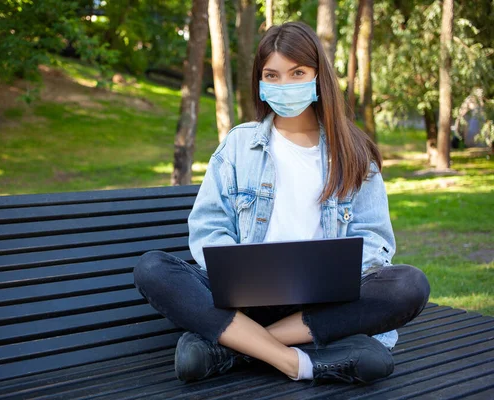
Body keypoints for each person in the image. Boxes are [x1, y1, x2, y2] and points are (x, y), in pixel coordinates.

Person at [133, 21, 430, 385]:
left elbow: (374, 239)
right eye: (271, 75)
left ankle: (232, 348)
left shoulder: (354, 154)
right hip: (244, 302)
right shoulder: (238, 146)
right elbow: (210, 226)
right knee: (152, 268)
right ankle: (295, 361)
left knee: (409, 284)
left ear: (318, 77)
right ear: (260, 81)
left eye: (297, 73)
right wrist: (238, 273)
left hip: (322, 305)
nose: (284, 85)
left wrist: (329, 276)